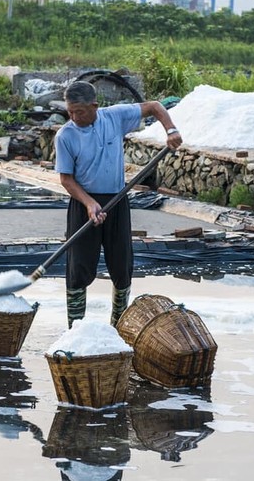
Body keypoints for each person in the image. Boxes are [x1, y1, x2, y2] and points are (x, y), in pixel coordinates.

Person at [54, 81, 183, 328]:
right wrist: (89, 204)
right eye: (70, 111)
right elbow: (66, 179)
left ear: (95, 106)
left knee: (121, 263)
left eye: (79, 111)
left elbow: (155, 107)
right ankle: (76, 328)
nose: (74, 117)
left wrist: (171, 130)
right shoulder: (66, 135)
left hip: (116, 200)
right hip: (84, 204)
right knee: (79, 264)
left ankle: (119, 325)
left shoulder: (114, 117)